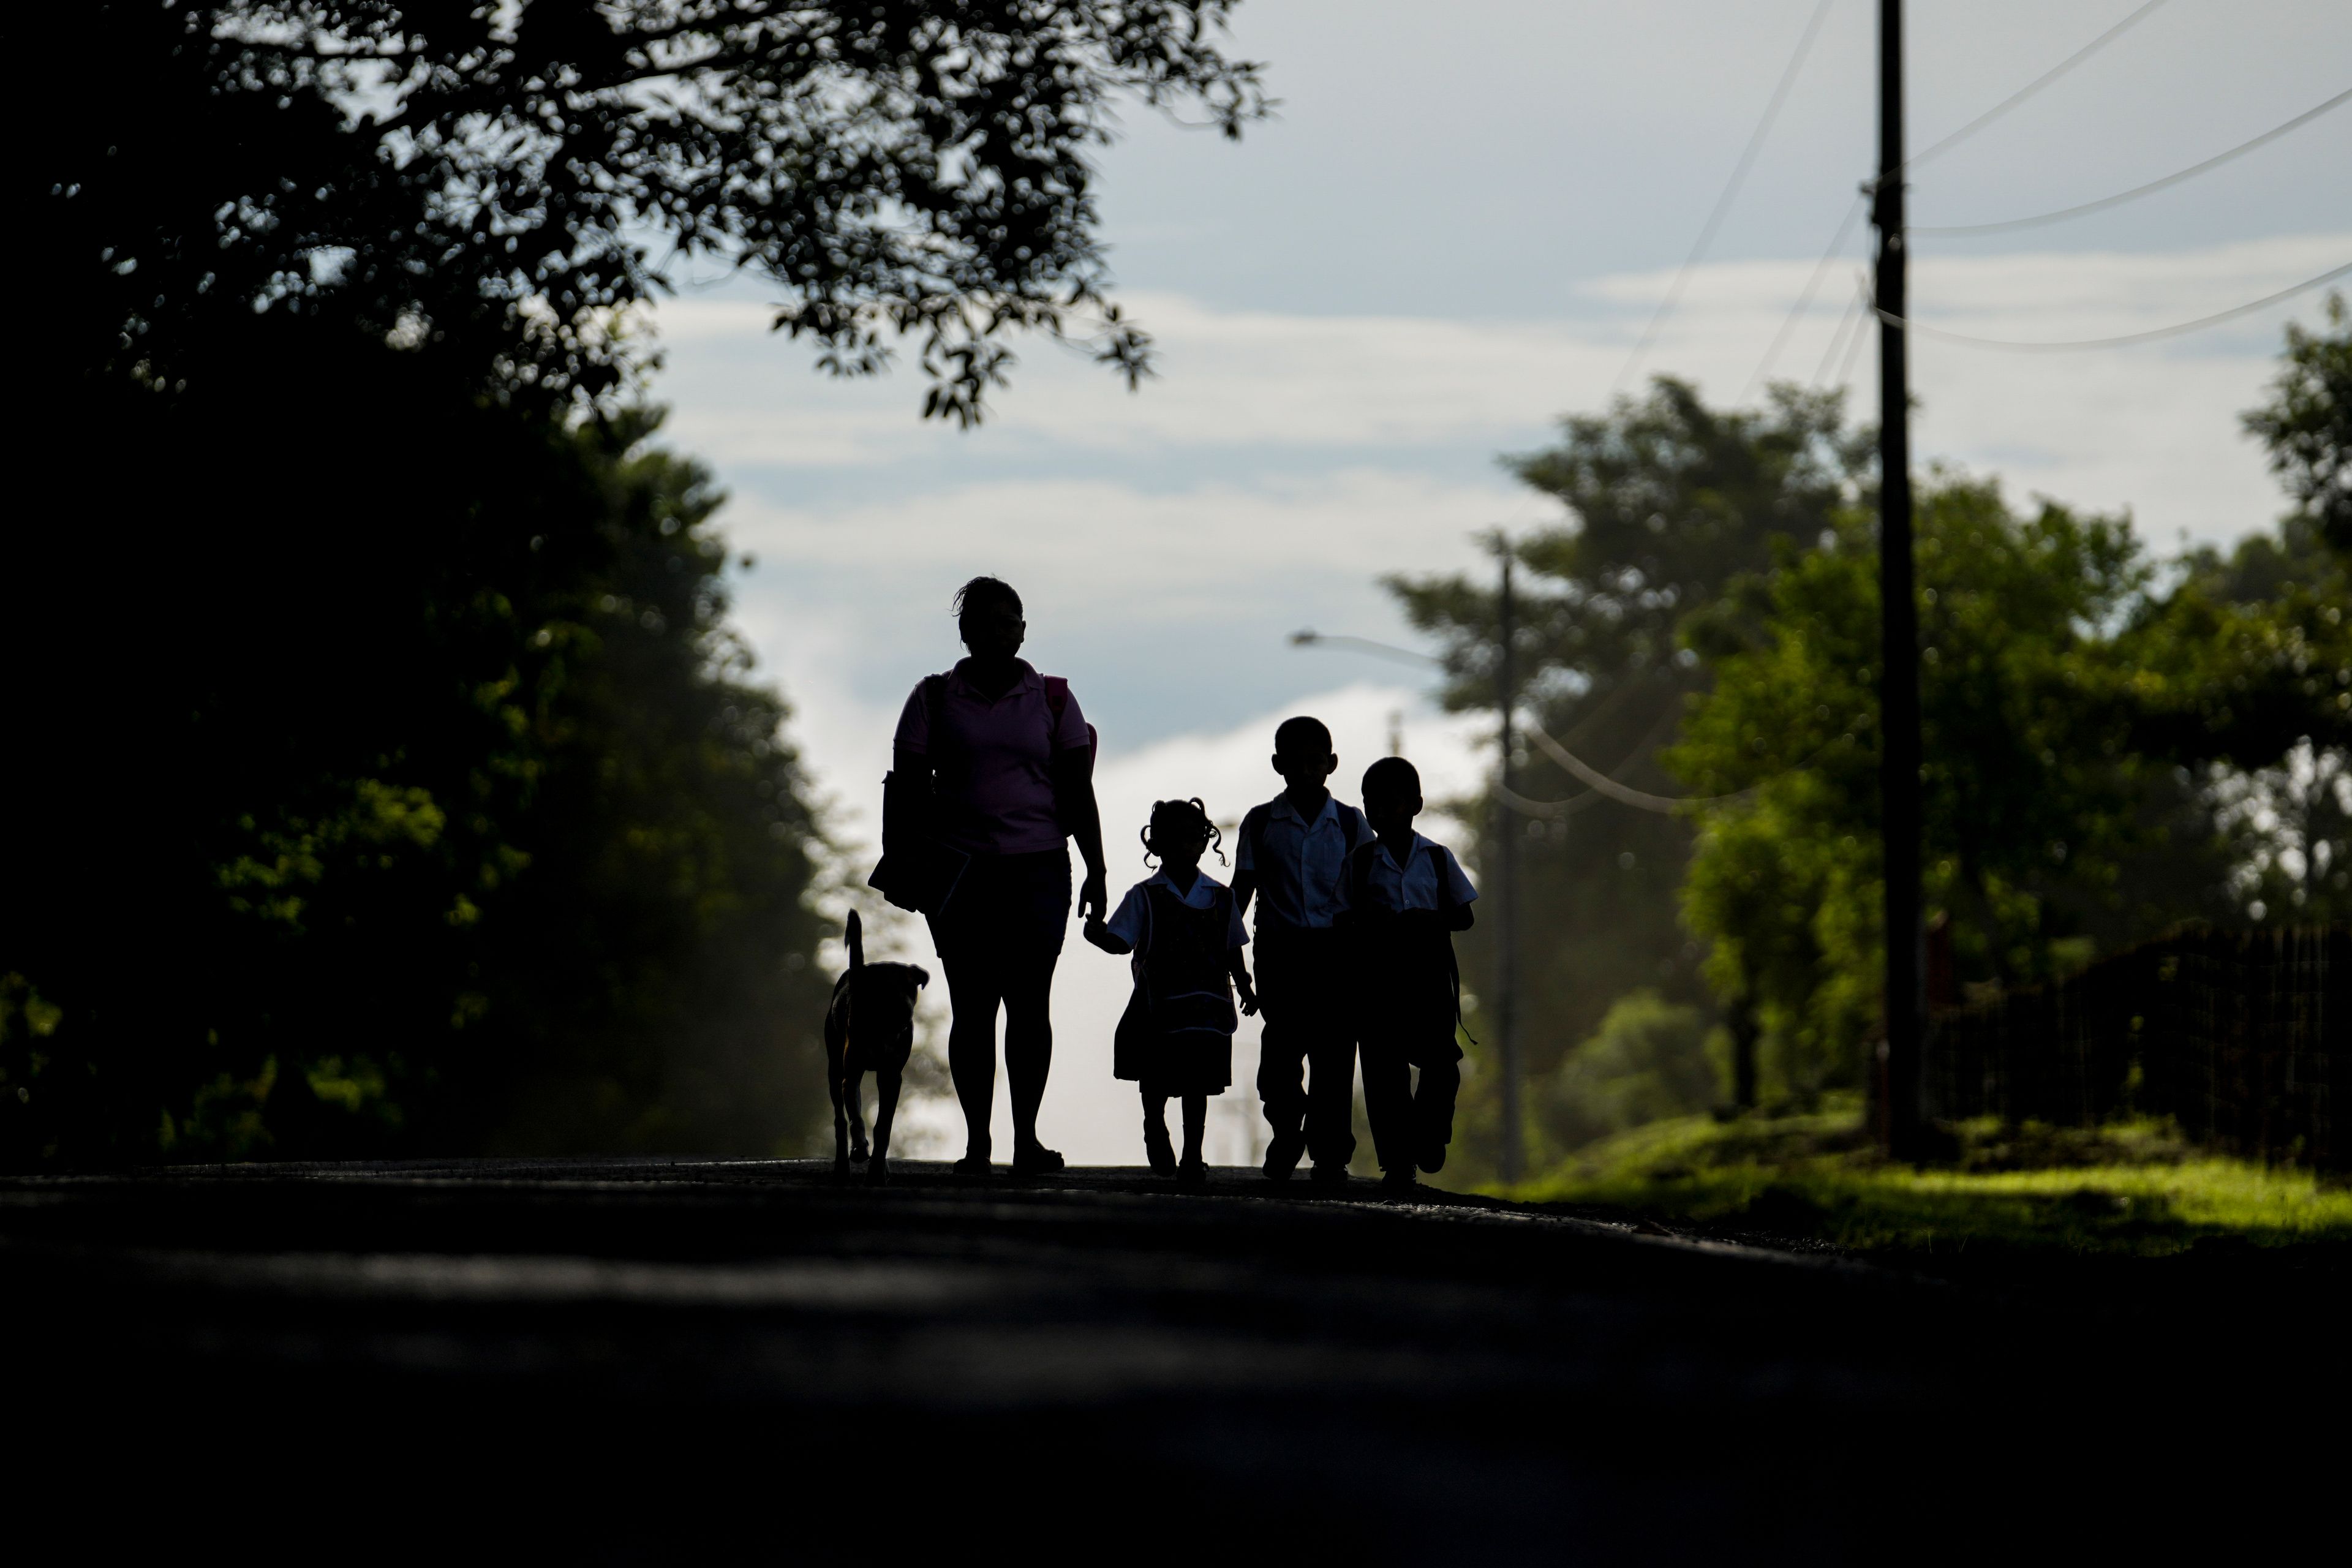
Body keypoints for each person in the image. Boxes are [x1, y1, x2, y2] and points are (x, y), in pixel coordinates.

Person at [879, 576, 1108, 1176]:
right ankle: (979, 1141)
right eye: (985, 623)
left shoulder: (1054, 699)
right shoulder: (932, 698)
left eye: (1010, 622)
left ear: (1024, 630)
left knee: (1030, 1004)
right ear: (965, 632)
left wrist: (1098, 867)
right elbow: (907, 785)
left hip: (1038, 869)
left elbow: (1077, 789)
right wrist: (907, 861)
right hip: (960, 873)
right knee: (974, 1006)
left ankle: (1025, 1139)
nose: (998, 633)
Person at [1232, 716, 1374, 1186]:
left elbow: (1370, 896)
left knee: (1334, 1055)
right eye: (1297, 763)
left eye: (1317, 762)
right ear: (1279, 766)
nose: (1308, 771)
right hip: (1281, 953)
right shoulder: (1260, 823)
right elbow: (1242, 893)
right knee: (1282, 1052)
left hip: (1338, 954)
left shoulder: (1353, 826)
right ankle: (1287, 1131)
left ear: (1332, 764)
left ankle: (1330, 1153)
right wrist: (1229, 958)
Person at [1085, 798, 1256, 1186]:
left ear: (1204, 842)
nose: (1183, 846)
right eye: (1173, 838)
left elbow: (1232, 948)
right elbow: (1122, 942)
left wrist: (1245, 984)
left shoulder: (1222, 898)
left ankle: (1193, 1155)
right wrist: (1100, 936)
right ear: (1155, 844)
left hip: (1207, 1010)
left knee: (1198, 1084)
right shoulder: (1144, 896)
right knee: (1157, 1076)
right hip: (1158, 1007)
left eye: (1191, 838)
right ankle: (1155, 1124)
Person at [1336, 756, 1476, 1192]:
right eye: (1371, 806)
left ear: (1415, 804)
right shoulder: (1360, 863)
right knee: (1385, 1074)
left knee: (1442, 1065)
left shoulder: (1436, 858)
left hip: (1428, 981)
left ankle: (1430, 1135)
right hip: (1376, 984)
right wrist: (1369, 924)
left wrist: (1426, 920)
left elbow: (1464, 915)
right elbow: (1340, 919)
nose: (1381, 814)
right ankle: (1398, 1164)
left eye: (1391, 804)